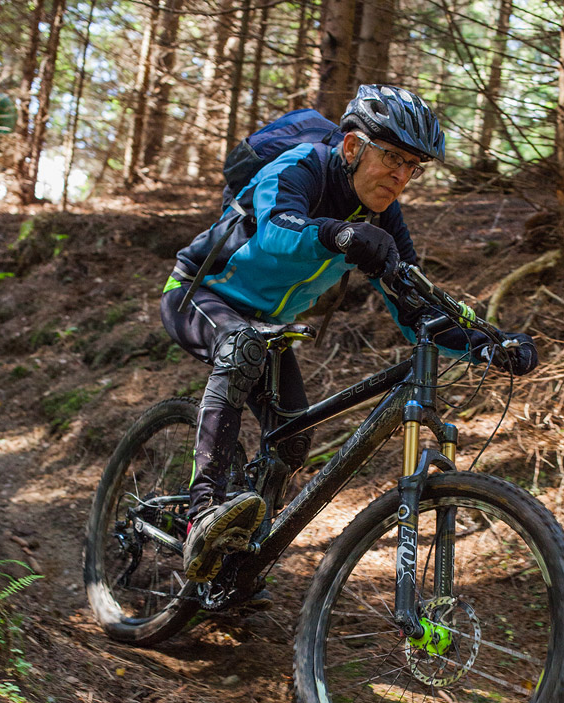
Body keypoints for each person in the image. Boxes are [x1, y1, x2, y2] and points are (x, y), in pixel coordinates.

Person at [160, 84, 537, 586]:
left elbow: (416, 307)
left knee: (292, 442)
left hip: (270, 324)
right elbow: (276, 227)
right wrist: (338, 233)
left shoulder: (382, 215)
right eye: (393, 157)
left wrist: (487, 344)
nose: (401, 175)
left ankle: (234, 566)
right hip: (200, 294)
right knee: (240, 346)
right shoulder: (303, 166)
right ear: (354, 146)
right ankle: (202, 515)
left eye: (412, 166)